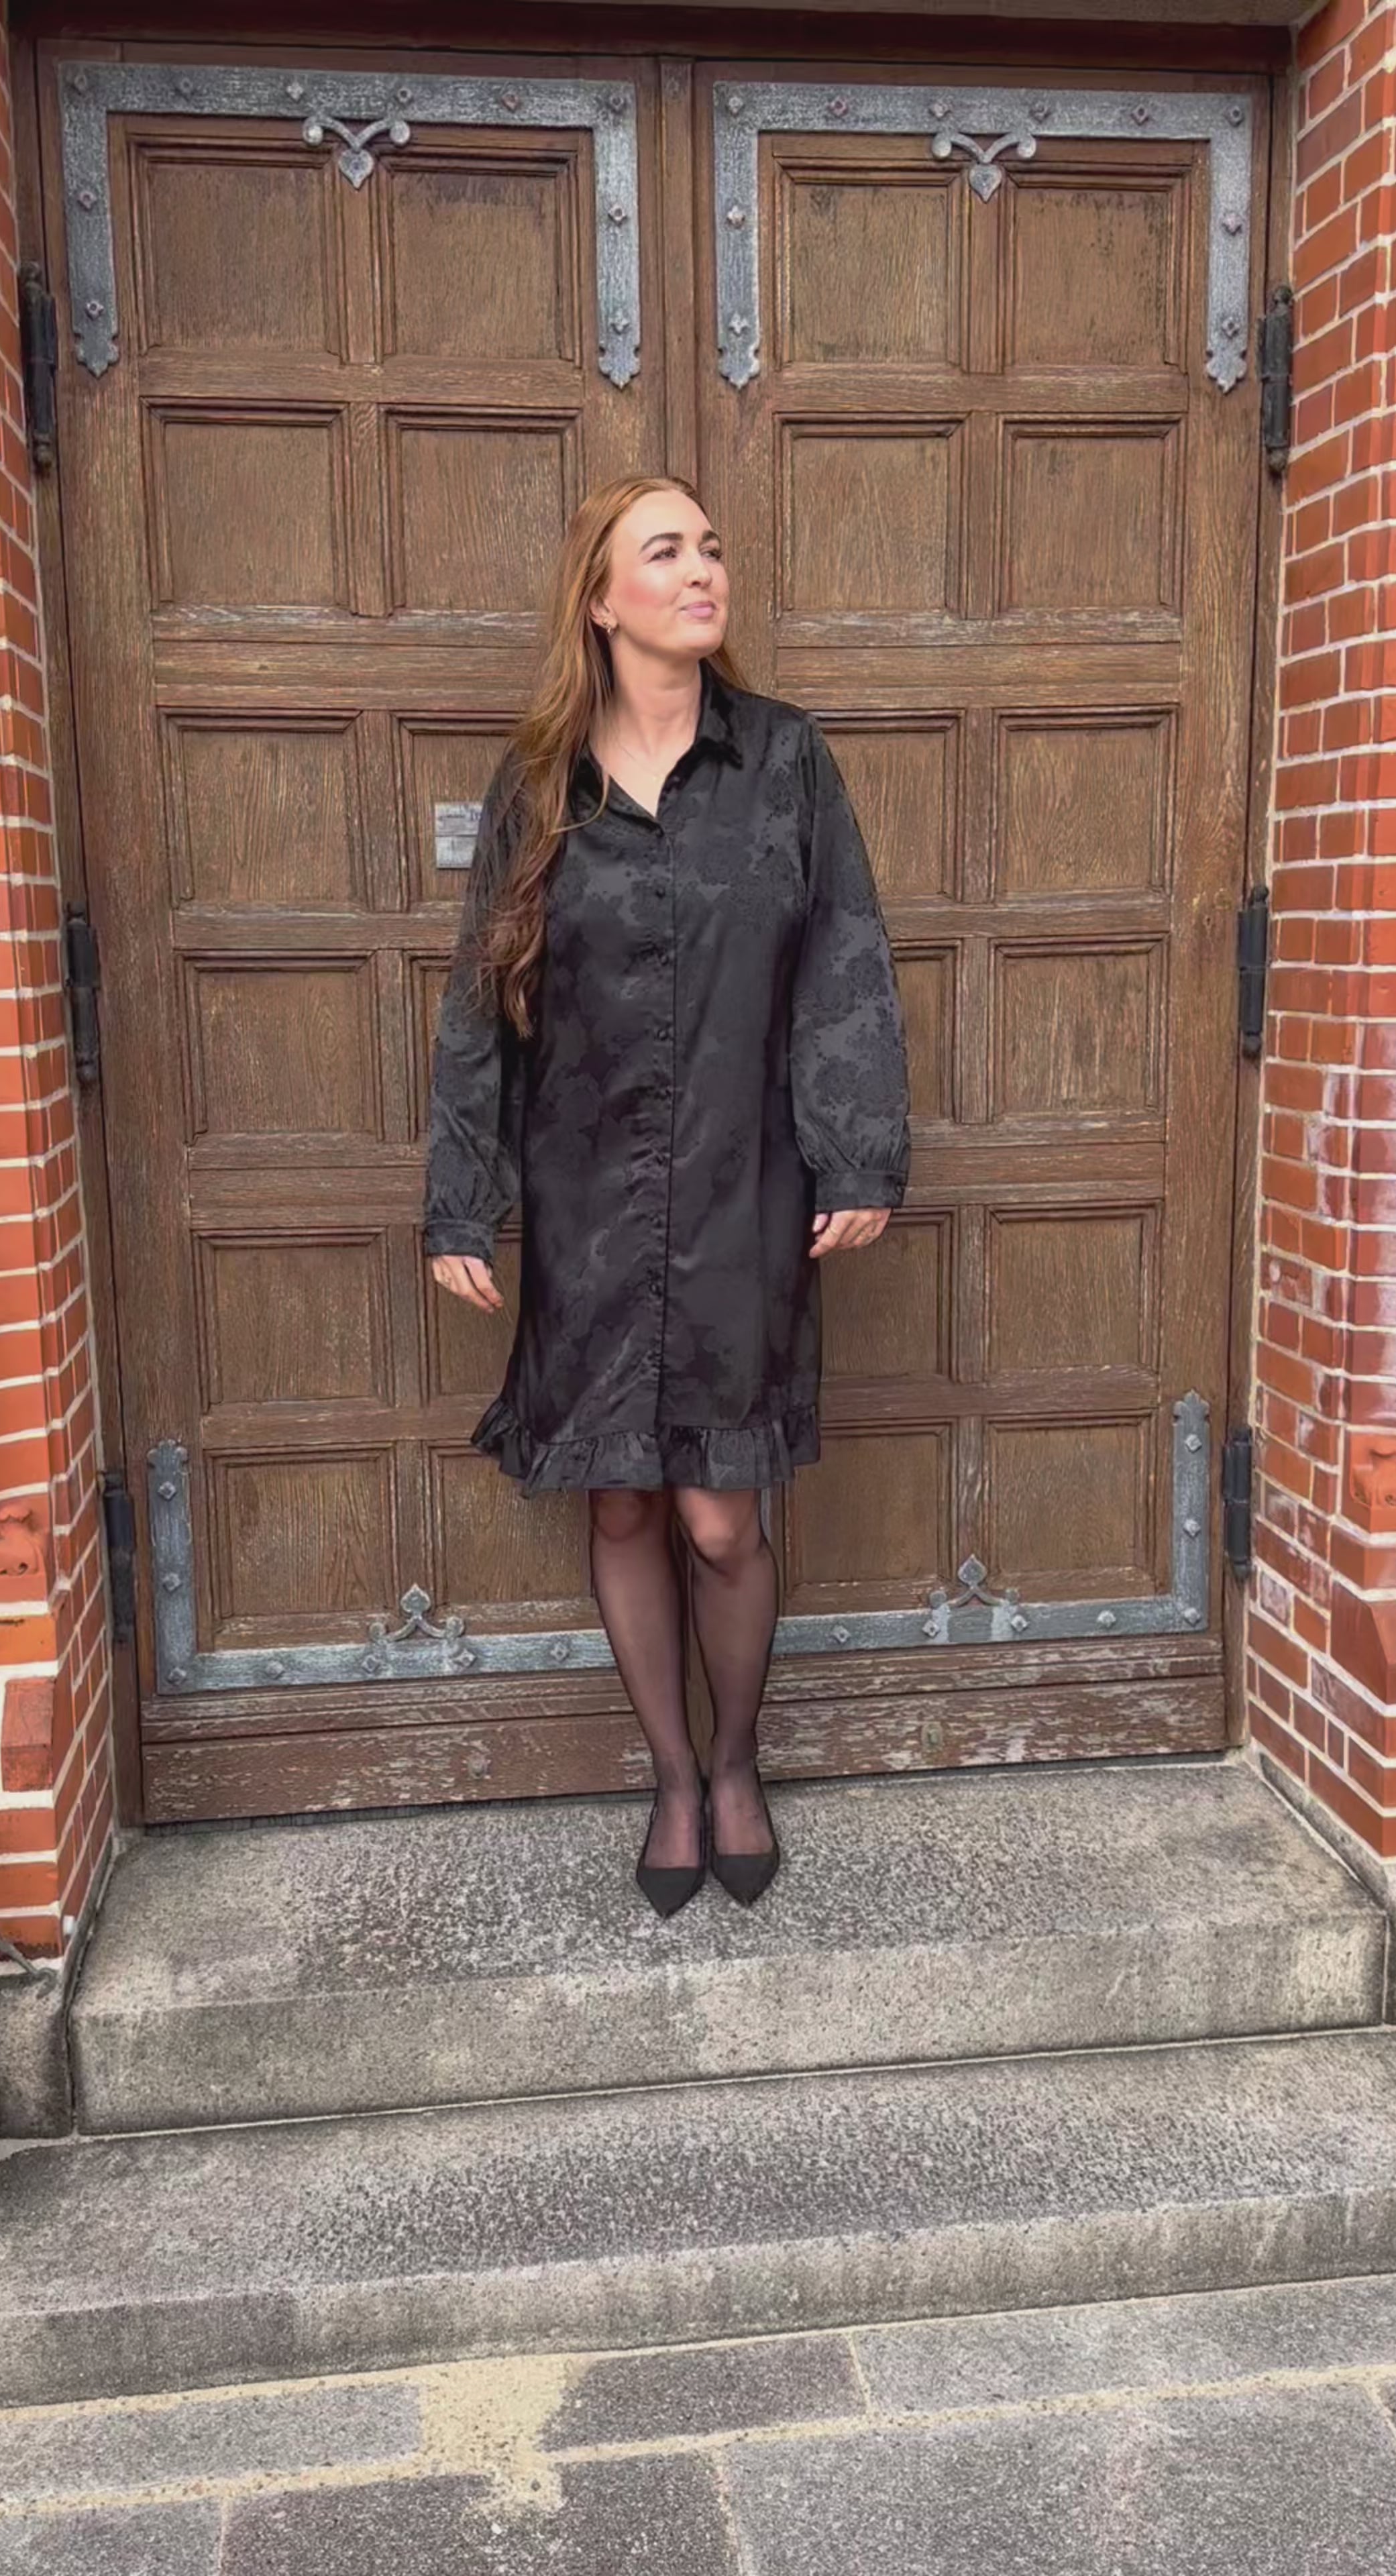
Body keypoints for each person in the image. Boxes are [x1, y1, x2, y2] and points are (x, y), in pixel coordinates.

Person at [423, 474, 910, 1918]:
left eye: (710, 548)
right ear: (602, 599)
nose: (703, 571)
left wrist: (858, 1150)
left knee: (718, 1519)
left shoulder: (784, 762)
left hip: (741, 1194)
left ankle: (739, 1758)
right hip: (585, 1201)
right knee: (626, 1507)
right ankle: (675, 1779)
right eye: (666, 551)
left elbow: (845, 956)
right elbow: (483, 1000)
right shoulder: (540, 786)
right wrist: (463, 1199)